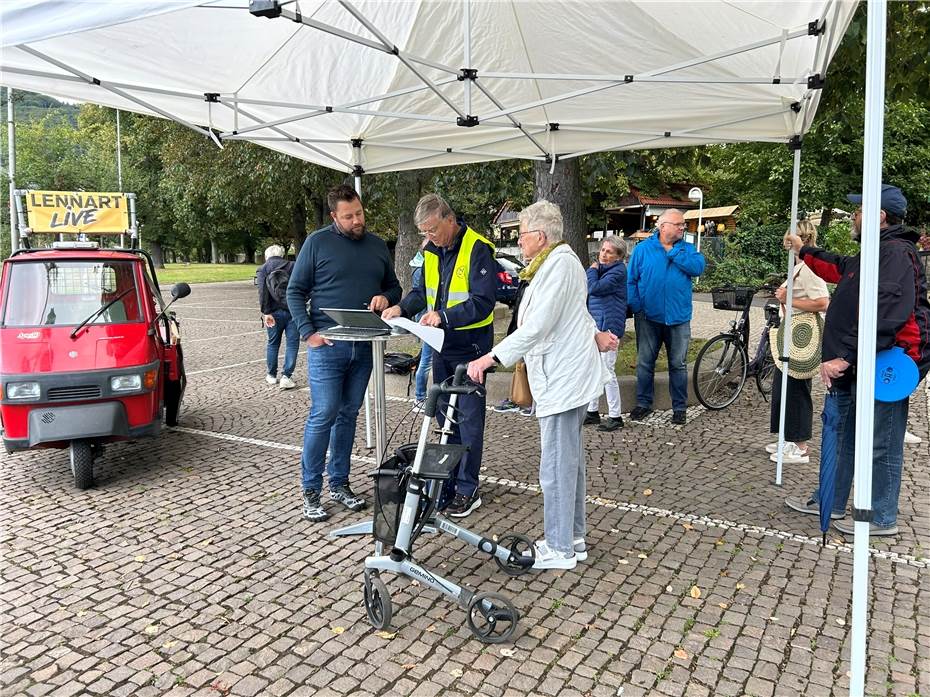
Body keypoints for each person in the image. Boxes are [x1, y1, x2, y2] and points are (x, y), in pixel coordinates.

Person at [467, 200, 618, 570]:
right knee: (570, 463)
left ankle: (559, 547)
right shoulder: (556, 264)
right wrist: (596, 334)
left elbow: (537, 327)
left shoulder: (560, 265)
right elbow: (576, 312)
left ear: (540, 236)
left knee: (556, 466)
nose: (519, 242)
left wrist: (491, 357)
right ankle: (574, 538)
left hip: (563, 379)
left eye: (521, 235)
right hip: (563, 374)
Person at [783, 184, 930, 536]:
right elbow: (838, 267)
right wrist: (806, 251)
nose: (854, 216)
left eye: (860, 210)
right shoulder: (873, 252)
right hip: (857, 364)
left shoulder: (895, 253)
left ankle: (880, 516)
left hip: (885, 366)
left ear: (879, 216)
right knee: (844, 436)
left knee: (882, 442)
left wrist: (845, 357)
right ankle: (830, 501)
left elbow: (887, 314)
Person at [286, 185, 402, 522]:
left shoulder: (377, 245)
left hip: (365, 344)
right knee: (324, 413)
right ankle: (311, 489)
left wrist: (386, 297)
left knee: (348, 414)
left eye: (360, 213)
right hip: (328, 346)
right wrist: (308, 334)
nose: (356, 221)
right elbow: (295, 291)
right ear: (334, 216)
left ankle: (339, 483)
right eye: (349, 216)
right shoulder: (317, 243)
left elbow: (393, 286)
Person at [382, 193, 496, 518]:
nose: (428, 237)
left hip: (472, 349)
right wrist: (402, 307)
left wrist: (443, 317)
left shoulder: (477, 248)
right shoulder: (431, 251)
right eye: (424, 232)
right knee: (446, 420)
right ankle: (447, 481)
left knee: (470, 420)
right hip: (441, 347)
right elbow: (421, 292)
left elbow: (482, 302)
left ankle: (467, 489)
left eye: (432, 230)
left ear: (450, 218)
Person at [626, 209, 706, 424]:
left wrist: (673, 252)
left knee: (678, 364)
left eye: (683, 224)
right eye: (678, 224)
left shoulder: (687, 249)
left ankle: (679, 407)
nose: (682, 227)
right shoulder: (643, 249)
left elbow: (698, 268)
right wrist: (637, 307)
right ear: (662, 226)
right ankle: (643, 403)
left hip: (678, 318)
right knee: (644, 362)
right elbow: (631, 280)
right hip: (648, 317)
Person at [766, 220, 830, 464]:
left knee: (796, 389)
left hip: (801, 335)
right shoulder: (799, 267)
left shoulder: (809, 269)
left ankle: (800, 445)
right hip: (792, 332)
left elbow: (823, 302)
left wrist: (788, 299)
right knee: (784, 387)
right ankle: (789, 438)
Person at [584, 236, 628, 432]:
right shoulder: (602, 270)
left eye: (609, 252)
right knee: (594, 368)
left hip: (609, 327)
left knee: (608, 371)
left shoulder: (617, 272)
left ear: (618, 257)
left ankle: (615, 415)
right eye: (602, 250)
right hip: (597, 324)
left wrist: (591, 270)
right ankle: (592, 411)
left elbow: (594, 288)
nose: (603, 254)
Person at [256, 244, 299, 390]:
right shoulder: (292, 265)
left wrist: (266, 312)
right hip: (293, 311)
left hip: (273, 313)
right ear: (282, 255)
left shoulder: (263, 269)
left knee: (273, 343)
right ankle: (287, 376)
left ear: (267, 256)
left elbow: (262, 293)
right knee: (292, 344)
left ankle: (271, 375)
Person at [408, 244, 433, 410]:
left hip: (428, 319)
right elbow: (421, 296)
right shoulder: (421, 268)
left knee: (427, 359)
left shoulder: (418, 265)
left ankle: (420, 396)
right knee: (426, 360)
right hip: (428, 321)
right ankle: (419, 397)